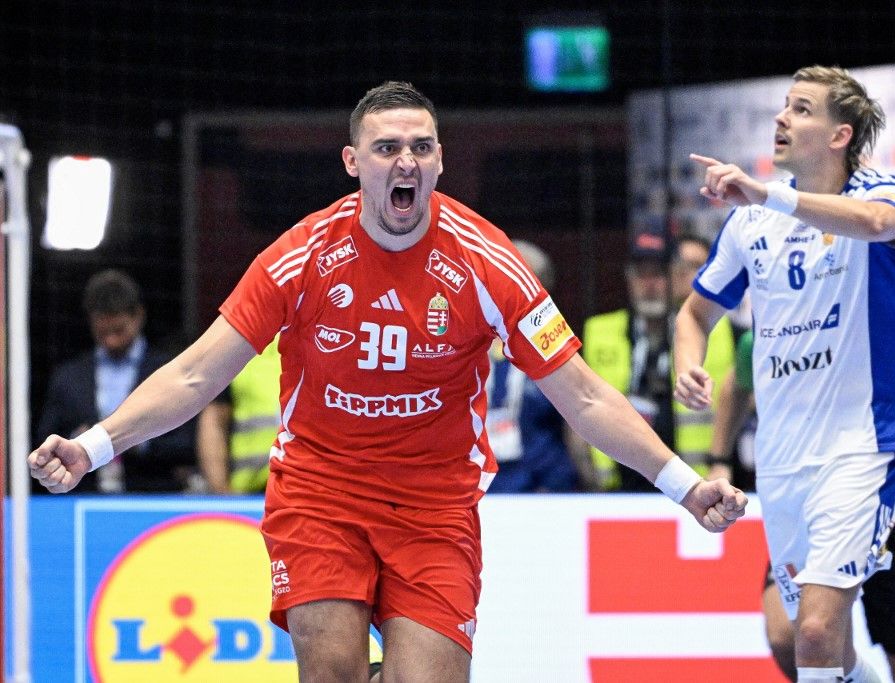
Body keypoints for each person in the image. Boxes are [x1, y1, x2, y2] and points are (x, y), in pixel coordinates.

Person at [30, 81, 747, 682]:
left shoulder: (488, 263)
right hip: (322, 489)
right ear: (353, 162)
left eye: (421, 147)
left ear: (439, 161)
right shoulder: (304, 254)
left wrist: (686, 485)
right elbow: (194, 373)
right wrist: (92, 447)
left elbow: (584, 395)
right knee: (333, 664)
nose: (405, 161)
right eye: (387, 148)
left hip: (435, 506)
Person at [674, 65, 895, 683]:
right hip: (782, 458)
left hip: (863, 443)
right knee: (812, 645)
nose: (782, 119)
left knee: (815, 629)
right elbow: (695, 312)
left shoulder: (886, 193)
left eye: (801, 109)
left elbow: (869, 226)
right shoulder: (749, 224)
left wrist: (763, 192)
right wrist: (688, 362)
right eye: (784, 106)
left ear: (840, 135)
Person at [715, 330, 895, 682]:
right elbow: (735, 385)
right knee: (788, 636)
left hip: (871, 504)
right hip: (800, 511)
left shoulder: (852, 320)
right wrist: (718, 459)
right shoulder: (763, 337)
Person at [574, 231, 734, 491]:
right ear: (628, 279)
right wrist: (593, 483)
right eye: (641, 274)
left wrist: (721, 461)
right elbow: (576, 406)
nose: (650, 284)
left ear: (676, 278)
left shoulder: (714, 332)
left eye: (658, 274)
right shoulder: (599, 331)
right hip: (616, 488)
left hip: (694, 485)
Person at [35, 269, 198, 493]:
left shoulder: (168, 370)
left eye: (119, 330)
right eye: (103, 332)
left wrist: (139, 437)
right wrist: (76, 442)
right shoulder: (68, 378)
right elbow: (43, 439)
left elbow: (190, 441)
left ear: (138, 316)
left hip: (153, 492)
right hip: (83, 495)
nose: (111, 340)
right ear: (91, 320)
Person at [485, 240, 578, 493]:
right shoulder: (465, 341)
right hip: (477, 491)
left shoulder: (554, 345)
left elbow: (578, 424)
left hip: (544, 490)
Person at [196, 335, 281, 494]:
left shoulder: (328, 346)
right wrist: (222, 494)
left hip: (311, 493)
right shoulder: (239, 346)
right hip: (248, 496)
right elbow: (214, 422)